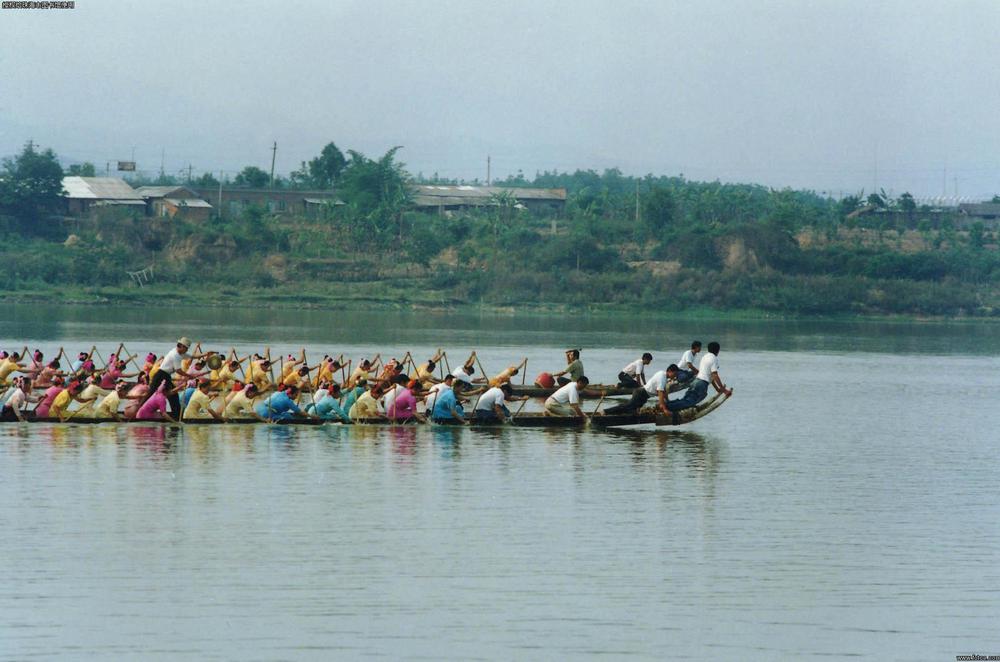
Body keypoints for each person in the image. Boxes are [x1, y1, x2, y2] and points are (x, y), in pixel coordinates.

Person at [667, 341, 732, 413]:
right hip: (701, 384)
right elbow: (714, 375)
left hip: (696, 381)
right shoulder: (714, 359)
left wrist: (718, 389)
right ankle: (667, 407)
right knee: (689, 402)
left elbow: (711, 377)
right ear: (718, 351)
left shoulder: (705, 357)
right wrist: (724, 390)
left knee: (685, 400)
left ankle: (667, 405)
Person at [148, 338, 204, 418]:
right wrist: (190, 376)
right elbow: (178, 371)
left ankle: (176, 415)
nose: (187, 350)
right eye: (186, 348)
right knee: (150, 394)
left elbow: (192, 356)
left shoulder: (180, 352)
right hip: (161, 375)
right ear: (181, 346)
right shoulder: (175, 355)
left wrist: (205, 354)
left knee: (173, 395)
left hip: (166, 376)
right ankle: (135, 413)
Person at [606, 364, 679, 415]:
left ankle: (615, 414)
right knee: (627, 406)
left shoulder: (663, 375)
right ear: (669, 371)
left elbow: (664, 392)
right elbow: (660, 392)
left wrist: (668, 401)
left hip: (644, 396)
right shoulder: (662, 377)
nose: (675, 376)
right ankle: (605, 412)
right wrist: (664, 408)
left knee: (632, 411)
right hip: (641, 393)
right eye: (674, 374)